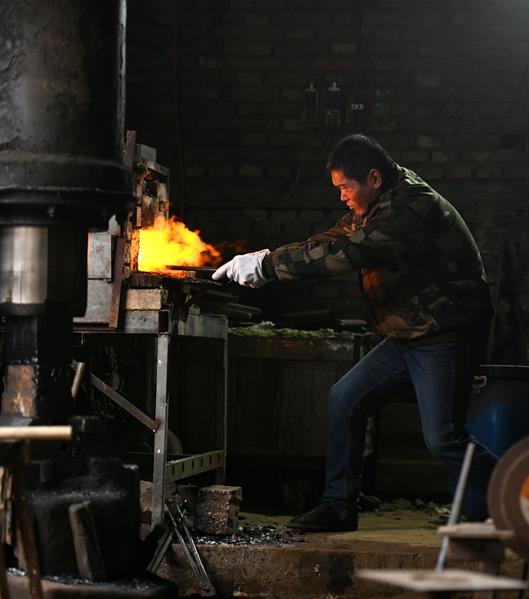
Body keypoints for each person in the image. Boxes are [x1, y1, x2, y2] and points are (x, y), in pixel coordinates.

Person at [213, 134, 497, 532]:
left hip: (443, 332)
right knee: (344, 399)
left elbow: (350, 253)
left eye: (346, 186)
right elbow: (334, 239)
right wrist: (266, 261)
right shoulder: (377, 202)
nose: (342, 196)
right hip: (406, 333)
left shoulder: (413, 207)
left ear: (374, 178)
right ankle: (339, 506)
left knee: (443, 438)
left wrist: (269, 266)